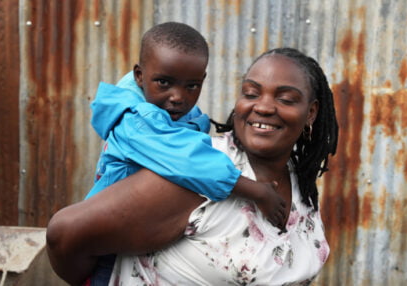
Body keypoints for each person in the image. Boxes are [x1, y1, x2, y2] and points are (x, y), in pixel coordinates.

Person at [46, 47, 338, 285]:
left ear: (311, 112)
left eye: (285, 98)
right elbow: (65, 236)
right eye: (250, 93)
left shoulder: (298, 181)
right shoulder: (198, 169)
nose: (262, 106)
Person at [85, 22, 286, 285]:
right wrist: (257, 191)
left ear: (202, 80)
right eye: (164, 82)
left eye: (191, 86)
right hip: (111, 246)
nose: (178, 96)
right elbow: (188, 161)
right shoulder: (137, 122)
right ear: (139, 76)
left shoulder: (166, 108)